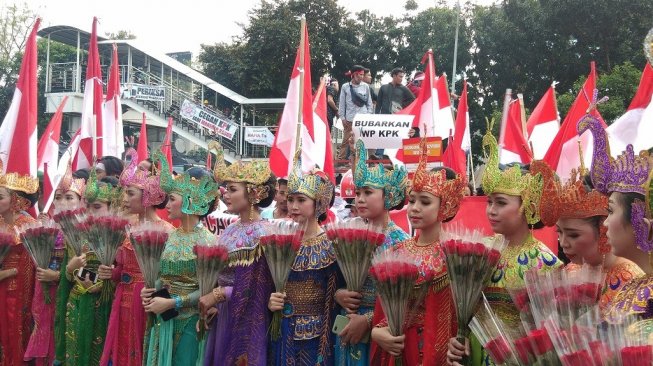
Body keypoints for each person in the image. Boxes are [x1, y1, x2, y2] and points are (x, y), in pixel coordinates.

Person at [447, 121, 562, 366]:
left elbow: (552, 333)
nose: (491, 210)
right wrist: (459, 340)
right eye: (489, 202)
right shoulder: (479, 252)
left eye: (500, 203)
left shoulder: (546, 262)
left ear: (527, 205)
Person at [370, 139, 465, 365]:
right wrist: (376, 332)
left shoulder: (456, 255)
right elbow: (382, 310)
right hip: (399, 350)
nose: (415, 208)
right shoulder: (397, 251)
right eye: (412, 200)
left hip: (436, 352)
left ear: (446, 206)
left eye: (425, 202)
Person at [531, 159, 644, 315]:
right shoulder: (570, 271)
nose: (563, 243)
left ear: (603, 229)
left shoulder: (630, 279)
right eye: (559, 233)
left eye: (573, 235)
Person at [334, 140, 410, 365]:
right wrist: (340, 294)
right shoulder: (349, 234)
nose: (360, 198)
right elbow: (334, 279)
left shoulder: (401, 242)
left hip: (381, 329)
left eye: (368, 192)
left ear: (388, 196)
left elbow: (403, 300)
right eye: (358, 192)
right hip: (346, 320)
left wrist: (367, 320)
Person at [141, 151, 219, 366]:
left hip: (191, 321)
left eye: (172, 199)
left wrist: (172, 302)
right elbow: (161, 277)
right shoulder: (170, 236)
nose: (167, 205)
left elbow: (208, 290)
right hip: (164, 318)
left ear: (190, 201)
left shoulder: (209, 242)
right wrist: (150, 290)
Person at [201, 142, 276, 365]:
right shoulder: (231, 229)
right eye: (227, 189)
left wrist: (220, 293)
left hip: (249, 317)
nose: (226, 195)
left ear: (253, 193)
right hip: (223, 312)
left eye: (233, 189)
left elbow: (259, 289)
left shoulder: (264, 234)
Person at [98, 148, 172, 366]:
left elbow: (170, 277)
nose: (125, 198)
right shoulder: (128, 228)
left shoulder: (166, 231)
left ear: (147, 196)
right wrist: (111, 273)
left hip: (148, 301)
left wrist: (159, 300)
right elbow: (122, 269)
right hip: (123, 299)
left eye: (131, 193)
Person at [579, 115, 653, 322]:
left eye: (610, 211)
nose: (604, 223)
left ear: (641, 224)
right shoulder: (634, 287)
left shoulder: (647, 298)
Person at [268, 154, 340, 365]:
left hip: (318, 334)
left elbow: (334, 294)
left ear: (318, 203)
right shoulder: (280, 239)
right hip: (282, 329)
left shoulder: (331, 243)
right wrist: (270, 302)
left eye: (301, 200)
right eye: (290, 199)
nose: (293, 206)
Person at [57, 167, 120, 365]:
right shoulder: (76, 233)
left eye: (98, 206)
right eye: (88, 205)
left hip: (105, 305)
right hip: (77, 301)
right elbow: (66, 276)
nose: (91, 211)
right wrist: (70, 269)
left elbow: (125, 275)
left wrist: (104, 282)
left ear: (112, 206)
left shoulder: (121, 236)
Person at [0, 161, 38, 366]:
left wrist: (8, 273)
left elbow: (30, 263)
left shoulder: (28, 226)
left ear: (14, 200)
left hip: (18, 287)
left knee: (15, 327)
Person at [53, 169, 87, 365]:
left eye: (69, 197)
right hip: (69, 298)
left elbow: (98, 278)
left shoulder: (91, 231)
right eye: (59, 197)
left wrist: (70, 271)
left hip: (90, 301)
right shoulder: (65, 229)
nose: (63, 203)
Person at [337, 65, 373, 161]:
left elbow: (369, 102)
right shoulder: (345, 87)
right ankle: (341, 161)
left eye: (362, 75)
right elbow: (342, 103)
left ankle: (362, 161)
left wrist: (368, 115)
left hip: (363, 119)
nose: (362, 77)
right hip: (350, 119)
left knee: (363, 141)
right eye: (360, 75)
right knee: (346, 141)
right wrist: (343, 118)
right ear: (354, 75)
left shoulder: (365, 86)